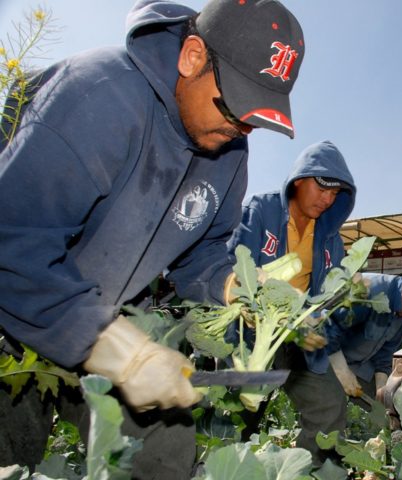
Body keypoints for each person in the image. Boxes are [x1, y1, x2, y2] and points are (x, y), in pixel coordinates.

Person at [0, 0, 305, 477]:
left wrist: (233, 285)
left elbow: (202, 251)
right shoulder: (95, 97)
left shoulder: (228, 149)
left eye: (255, 118)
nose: (240, 128)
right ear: (192, 57)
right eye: (234, 107)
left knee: (165, 442)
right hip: (14, 322)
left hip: (105, 320)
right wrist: (113, 347)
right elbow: (12, 246)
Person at [226, 140, 356, 465]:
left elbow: (330, 300)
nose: (327, 200)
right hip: (251, 334)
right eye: (322, 188)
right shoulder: (260, 212)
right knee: (239, 414)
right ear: (300, 179)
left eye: (335, 194)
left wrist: (336, 356)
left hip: (300, 338)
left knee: (329, 404)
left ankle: (308, 469)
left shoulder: (330, 241)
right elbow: (230, 268)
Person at [326, 273, 402, 404]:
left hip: (361, 366)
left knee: (372, 413)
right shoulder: (368, 292)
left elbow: (388, 347)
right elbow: (327, 326)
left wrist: (382, 382)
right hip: (327, 356)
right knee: (332, 411)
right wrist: (340, 369)